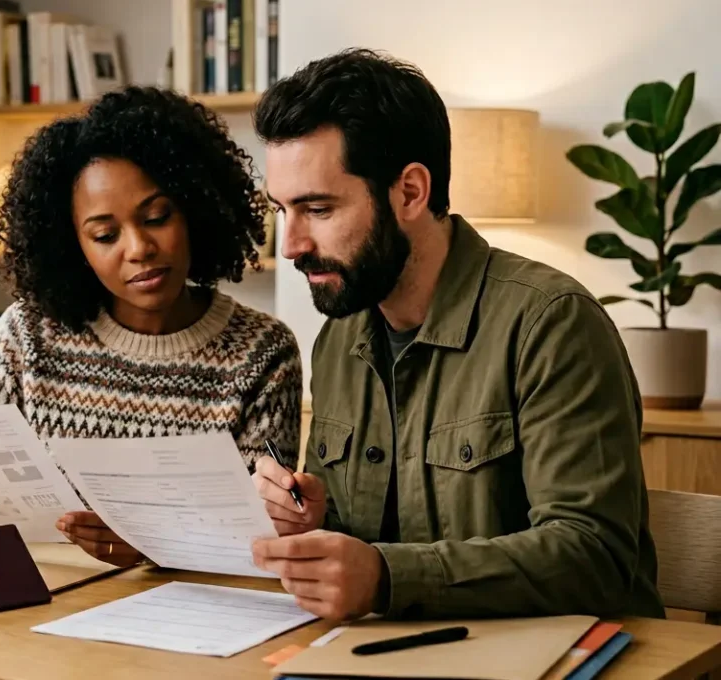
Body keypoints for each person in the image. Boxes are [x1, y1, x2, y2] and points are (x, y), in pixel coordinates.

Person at [248, 48, 664, 621]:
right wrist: (312, 522)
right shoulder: (340, 338)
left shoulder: (551, 323)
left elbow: (595, 555)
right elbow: (359, 539)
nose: (291, 243)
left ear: (411, 192)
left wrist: (388, 577)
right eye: (282, 211)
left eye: (317, 209)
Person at [0, 86, 304, 566]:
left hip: (178, 623)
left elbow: (258, 537)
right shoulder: (28, 335)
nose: (138, 248)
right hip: (30, 607)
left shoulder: (262, 352)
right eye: (105, 235)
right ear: (74, 247)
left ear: (196, 209)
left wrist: (153, 547)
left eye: (156, 217)